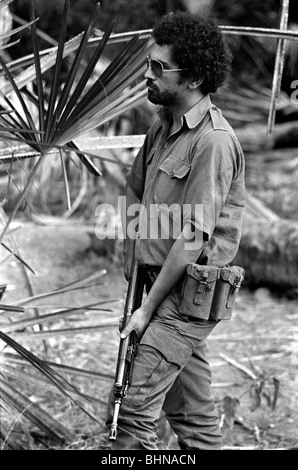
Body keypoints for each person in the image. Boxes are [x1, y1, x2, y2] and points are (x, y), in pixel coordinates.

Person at [100, 11, 245, 450]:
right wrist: (131, 259)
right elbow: (134, 188)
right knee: (195, 423)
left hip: (186, 298)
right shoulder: (162, 125)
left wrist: (146, 311)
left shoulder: (213, 142)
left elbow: (192, 238)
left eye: (158, 68)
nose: (147, 74)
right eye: (149, 63)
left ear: (195, 77)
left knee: (132, 413)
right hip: (158, 286)